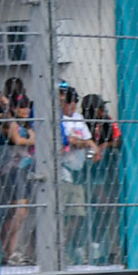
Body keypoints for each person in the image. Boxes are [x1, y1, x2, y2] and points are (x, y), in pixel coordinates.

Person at [0, 91, 36, 264]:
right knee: (15, 213)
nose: (25, 110)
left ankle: (12, 250)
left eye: (27, 106)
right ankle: (6, 249)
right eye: (21, 107)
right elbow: (17, 139)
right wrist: (6, 108)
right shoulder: (9, 123)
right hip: (11, 170)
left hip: (24, 169)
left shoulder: (25, 125)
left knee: (21, 213)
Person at [58, 85, 95, 260]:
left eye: (74, 104)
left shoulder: (78, 118)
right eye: (69, 104)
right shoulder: (59, 119)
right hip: (63, 173)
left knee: (78, 215)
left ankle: (64, 245)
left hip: (78, 172)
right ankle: (57, 248)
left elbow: (88, 140)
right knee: (62, 214)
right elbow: (70, 141)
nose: (72, 108)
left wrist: (92, 148)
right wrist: (83, 144)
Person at [82, 93, 120, 264]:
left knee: (105, 206)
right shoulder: (82, 124)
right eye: (99, 108)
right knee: (95, 207)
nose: (103, 111)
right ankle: (87, 244)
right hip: (86, 172)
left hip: (105, 171)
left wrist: (105, 145)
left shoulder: (106, 121)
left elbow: (117, 139)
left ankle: (96, 243)